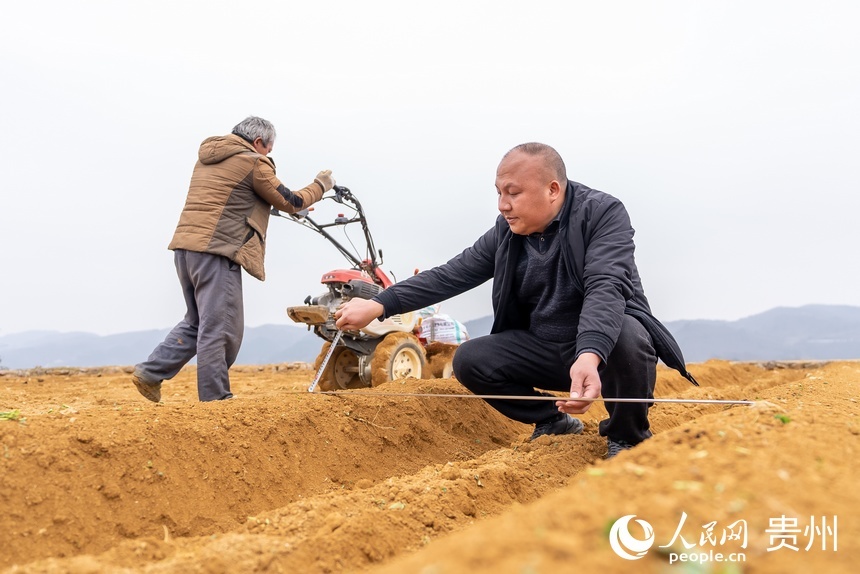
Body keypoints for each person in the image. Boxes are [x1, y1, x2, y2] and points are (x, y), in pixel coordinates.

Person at [335, 142, 696, 458]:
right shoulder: (506, 233)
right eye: (499, 193)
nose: (503, 205)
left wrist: (589, 353)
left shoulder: (602, 214)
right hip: (547, 347)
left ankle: (627, 437)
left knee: (629, 335)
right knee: (472, 360)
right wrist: (381, 304)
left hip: (603, 350)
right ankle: (552, 420)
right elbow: (452, 273)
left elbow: (606, 285)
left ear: (553, 189)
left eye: (513, 193)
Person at [132, 116, 335, 402]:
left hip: (186, 250)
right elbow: (291, 200)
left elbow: (234, 198)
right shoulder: (252, 161)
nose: (269, 154)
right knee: (222, 327)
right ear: (257, 142)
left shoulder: (210, 158)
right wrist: (321, 185)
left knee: (196, 322)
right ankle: (216, 399)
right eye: (269, 148)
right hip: (217, 252)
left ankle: (151, 372)